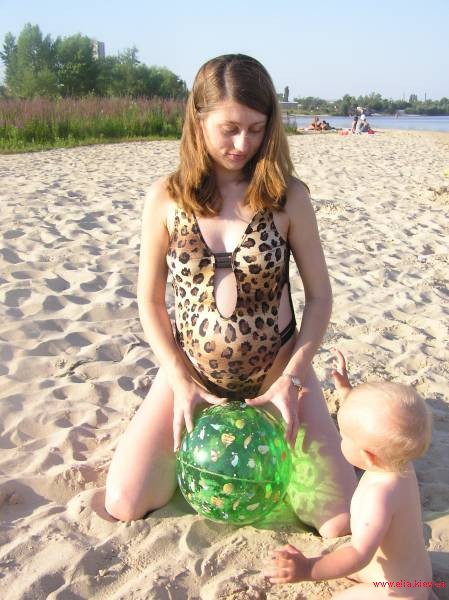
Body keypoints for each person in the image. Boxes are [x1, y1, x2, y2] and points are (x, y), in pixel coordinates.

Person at [104, 54, 357, 536]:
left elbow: (320, 298)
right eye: (230, 129)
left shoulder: (288, 197)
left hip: (277, 379)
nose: (243, 144)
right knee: (125, 502)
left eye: (257, 129)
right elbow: (150, 300)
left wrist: (293, 379)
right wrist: (177, 376)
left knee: (338, 520)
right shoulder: (166, 197)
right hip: (192, 378)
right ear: (198, 120)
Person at [264, 350, 434, 599]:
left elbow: (358, 554)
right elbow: (375, 428)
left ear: (368, 456)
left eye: (344, 436)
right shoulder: (399, 462)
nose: (341, 438)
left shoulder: (379, 496)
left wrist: (308, 569)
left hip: (398, 591)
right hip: (415, 574)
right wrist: (346, 393)